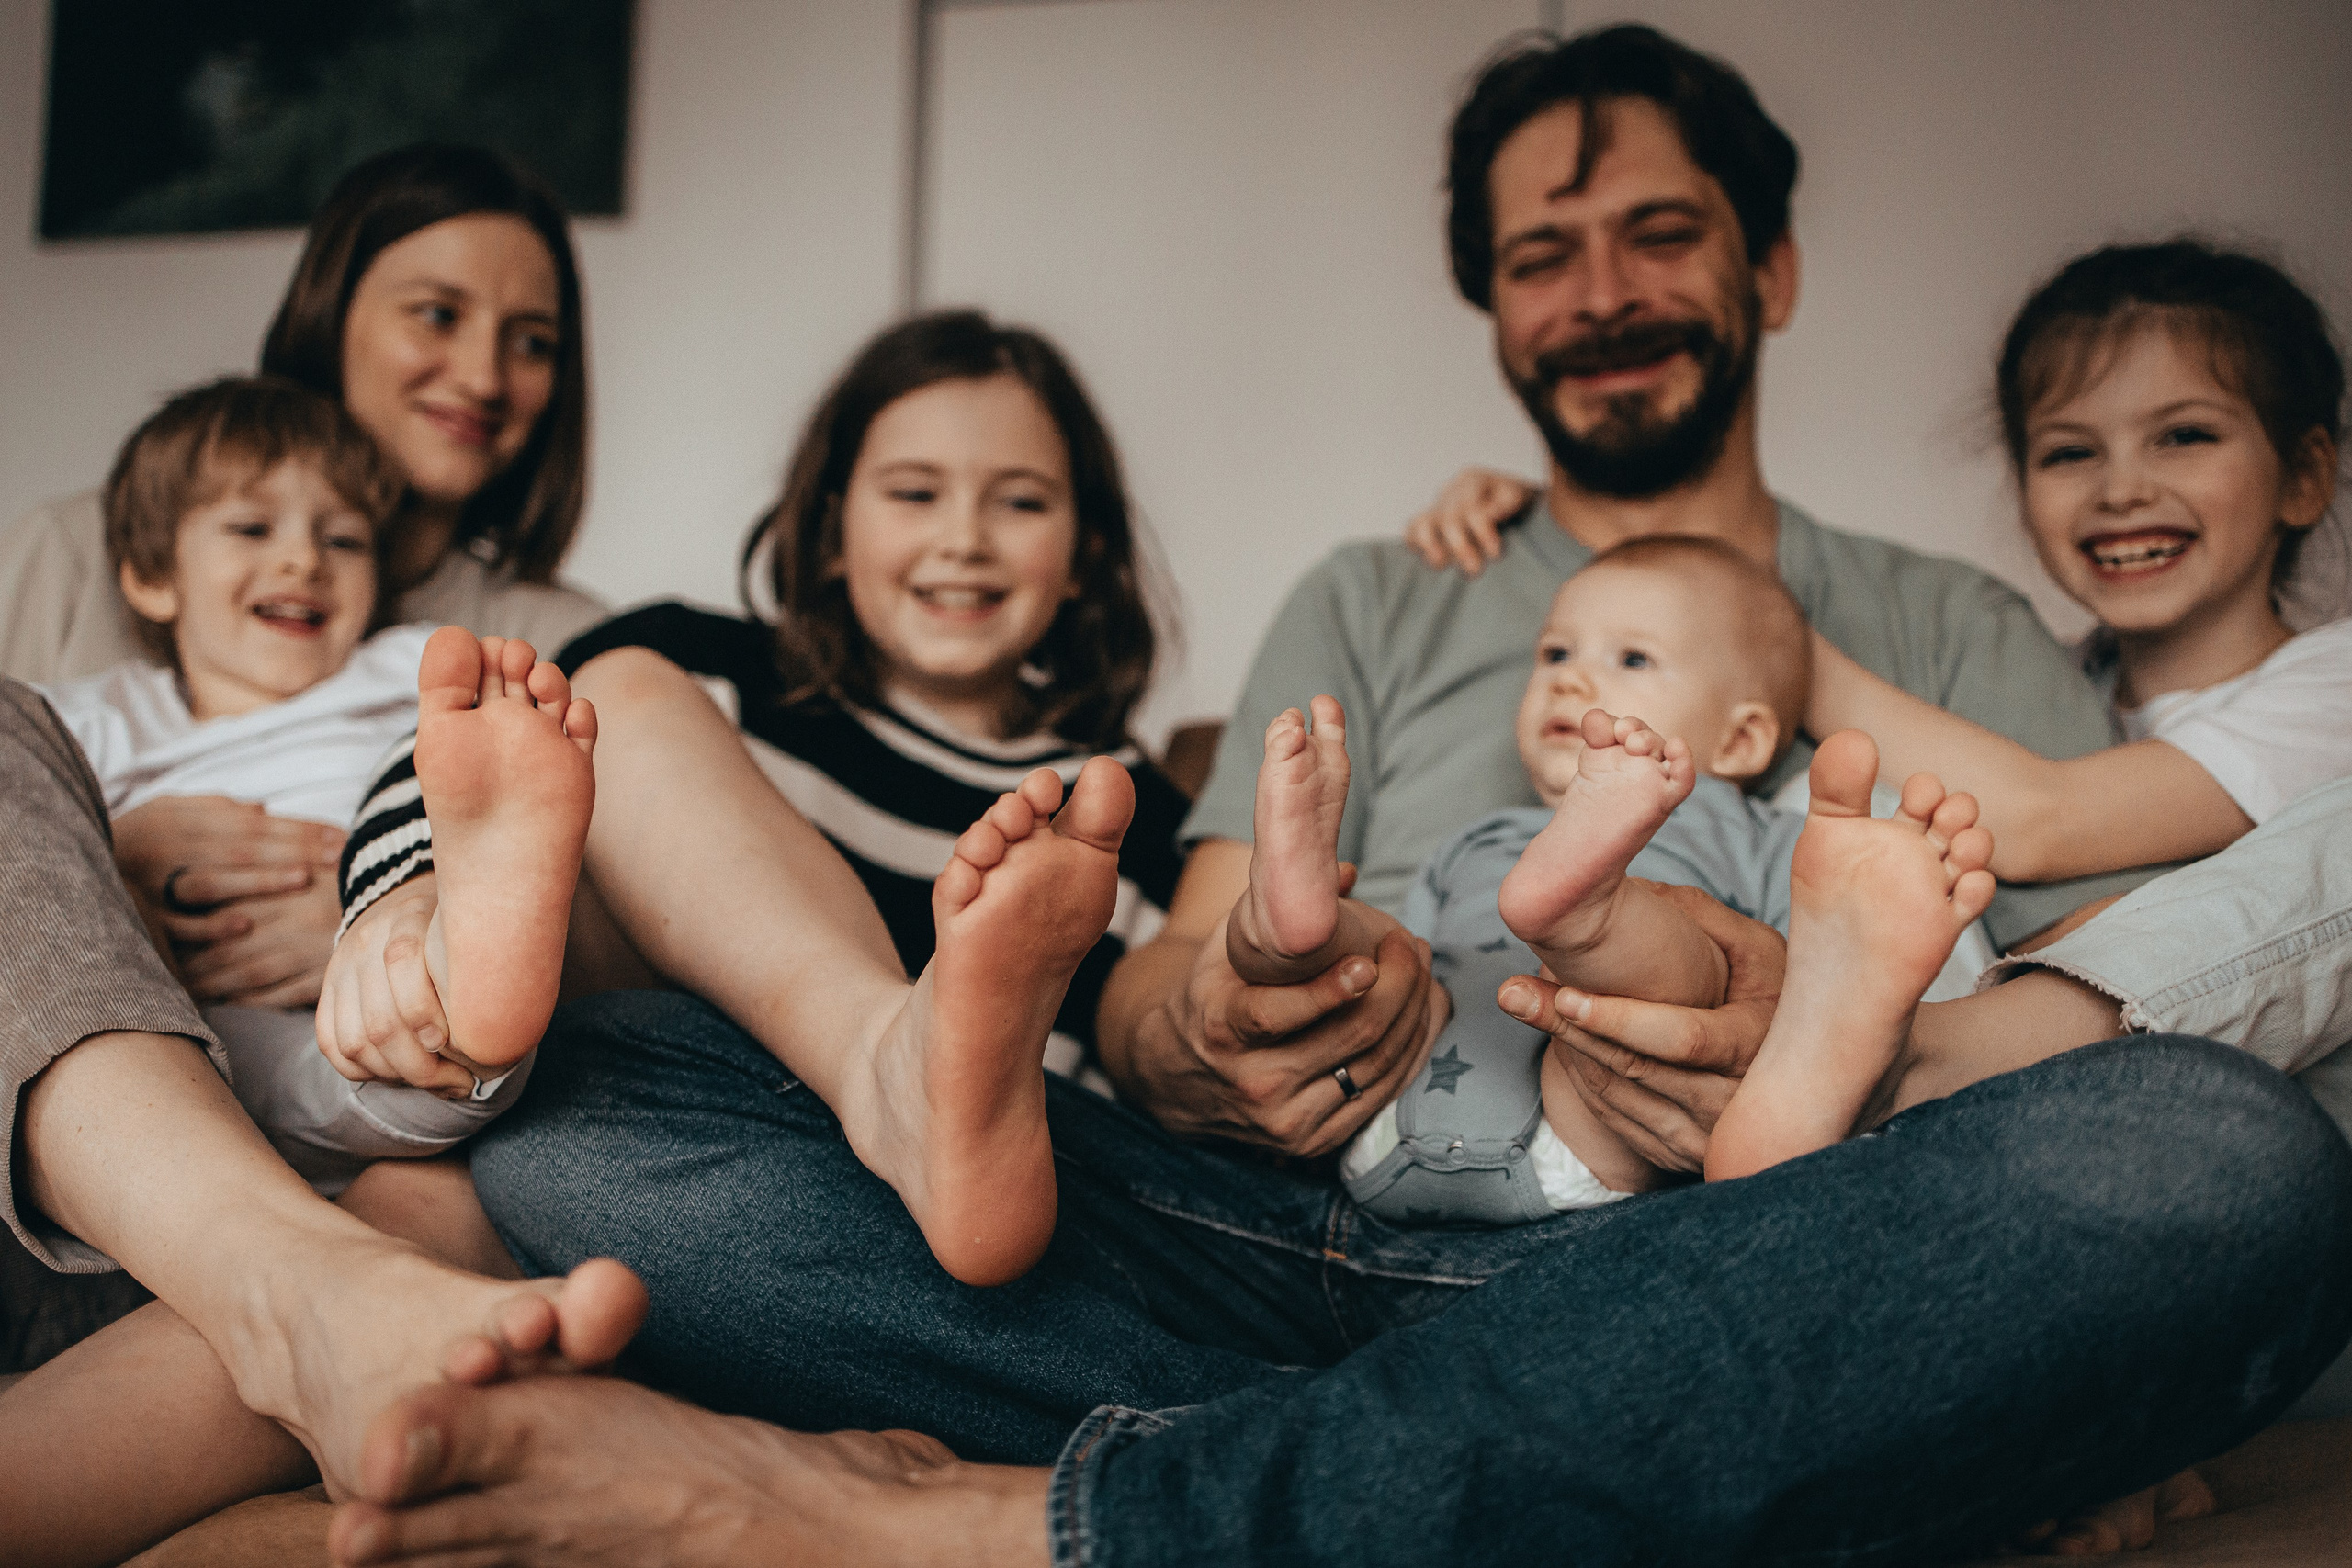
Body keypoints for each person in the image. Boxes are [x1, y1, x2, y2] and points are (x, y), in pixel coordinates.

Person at [330, 28, 2352, 1565]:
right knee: (586, 1111)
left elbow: (2078, 1001)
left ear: (1771, 265)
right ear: (1490, 305)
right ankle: (1609, 1446)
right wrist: (1205, 1027)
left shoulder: (1938, 624)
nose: (1598, 288)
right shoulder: (1381, 588)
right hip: (1253, 1217)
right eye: (1539, 254)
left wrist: (1814, 1035)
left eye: (1655, 230)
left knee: (2221, 1162)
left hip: (1730, 1234)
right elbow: (1157, 979)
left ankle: (1066, 1501)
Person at [1225, 536, 1993, 1222]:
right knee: (1381, 958)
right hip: (1389, 1105)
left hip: (1602, 1126)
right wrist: (1356, 957)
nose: (1569, 680)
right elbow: (1406, 979)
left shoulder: (1782, 841)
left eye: (1631, 659)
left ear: (1742, 737)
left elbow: (1771, 990)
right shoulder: (1476, 837)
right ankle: (1299, 920)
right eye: (1555, 654)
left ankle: (1590, 915)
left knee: (1690, 978)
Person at [1802, 240, 2350, 877]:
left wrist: (1799, 667)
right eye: (2070, 452)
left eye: (2184, 436)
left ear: (2303, 478)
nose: (2122, 492)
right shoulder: (2033, 672)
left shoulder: (2335, 689)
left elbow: (2044, 824)